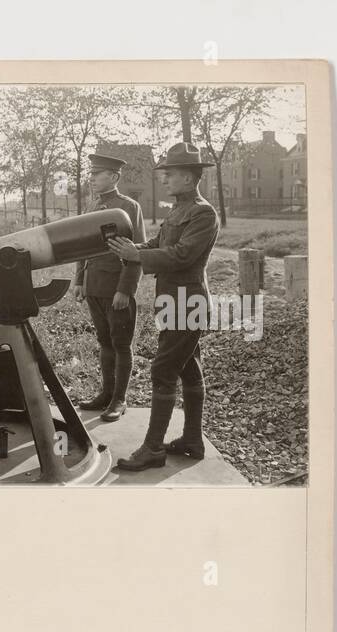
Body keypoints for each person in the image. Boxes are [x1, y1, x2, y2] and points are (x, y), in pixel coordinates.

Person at [106, 142, 220, 471]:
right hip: (174, 300)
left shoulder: (203, 212)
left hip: (188, 300)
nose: (165, 180)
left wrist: (136, 256)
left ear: (189, 178)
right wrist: (129, 247)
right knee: (187, 366)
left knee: (163, 369)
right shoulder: (177, 210)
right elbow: (159, 245)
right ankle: (192, 440)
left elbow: (183, 255)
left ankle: (153, 448)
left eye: (170, 175)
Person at [72, 152, 145, 422]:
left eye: (96, 174)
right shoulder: (92, 206)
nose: (90, 178)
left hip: (116, 286)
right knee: (104, 342)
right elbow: (82, 245)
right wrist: (79, 280)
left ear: (113, 177)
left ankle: (119, 399)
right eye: (90, 174)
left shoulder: (127, 207)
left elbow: (136, 250)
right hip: (94, 285)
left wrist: (125, 289)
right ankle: (106, 393)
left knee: (121, 343)